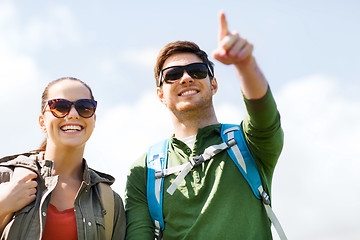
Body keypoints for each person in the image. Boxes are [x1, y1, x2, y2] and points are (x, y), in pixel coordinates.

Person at [125, 11, 284, 240]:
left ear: (214, 84)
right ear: (160, 94)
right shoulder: (144, 171)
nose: (186, 78)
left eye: (197, 72)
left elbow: (264, 114)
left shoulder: (249, 143)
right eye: (173, 75)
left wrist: (244, 64)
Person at [0, 77, 126, 239]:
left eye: (84, 107)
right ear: (42, 122)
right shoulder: (6, 178)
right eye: (60, 107)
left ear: (94, 120)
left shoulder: (110, 202)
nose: (73, 114)